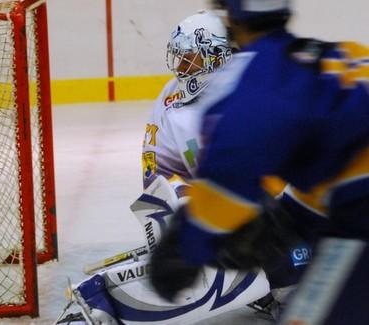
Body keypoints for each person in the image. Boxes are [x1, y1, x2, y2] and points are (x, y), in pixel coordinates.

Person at [149, 1, 369, 324]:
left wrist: (187, 244)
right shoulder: (335, 55)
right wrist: (293, 216)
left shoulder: (256, 79)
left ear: (233, 17)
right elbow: (345, 158)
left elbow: (230, 174)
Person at [56, 10, 272, 325]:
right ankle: (99, 302)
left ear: (216, 57)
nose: (182, 67)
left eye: (190, 59)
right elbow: (156, 180)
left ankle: (274, 283)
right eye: (180, 58)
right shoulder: (171, 101)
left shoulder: (257, 86)